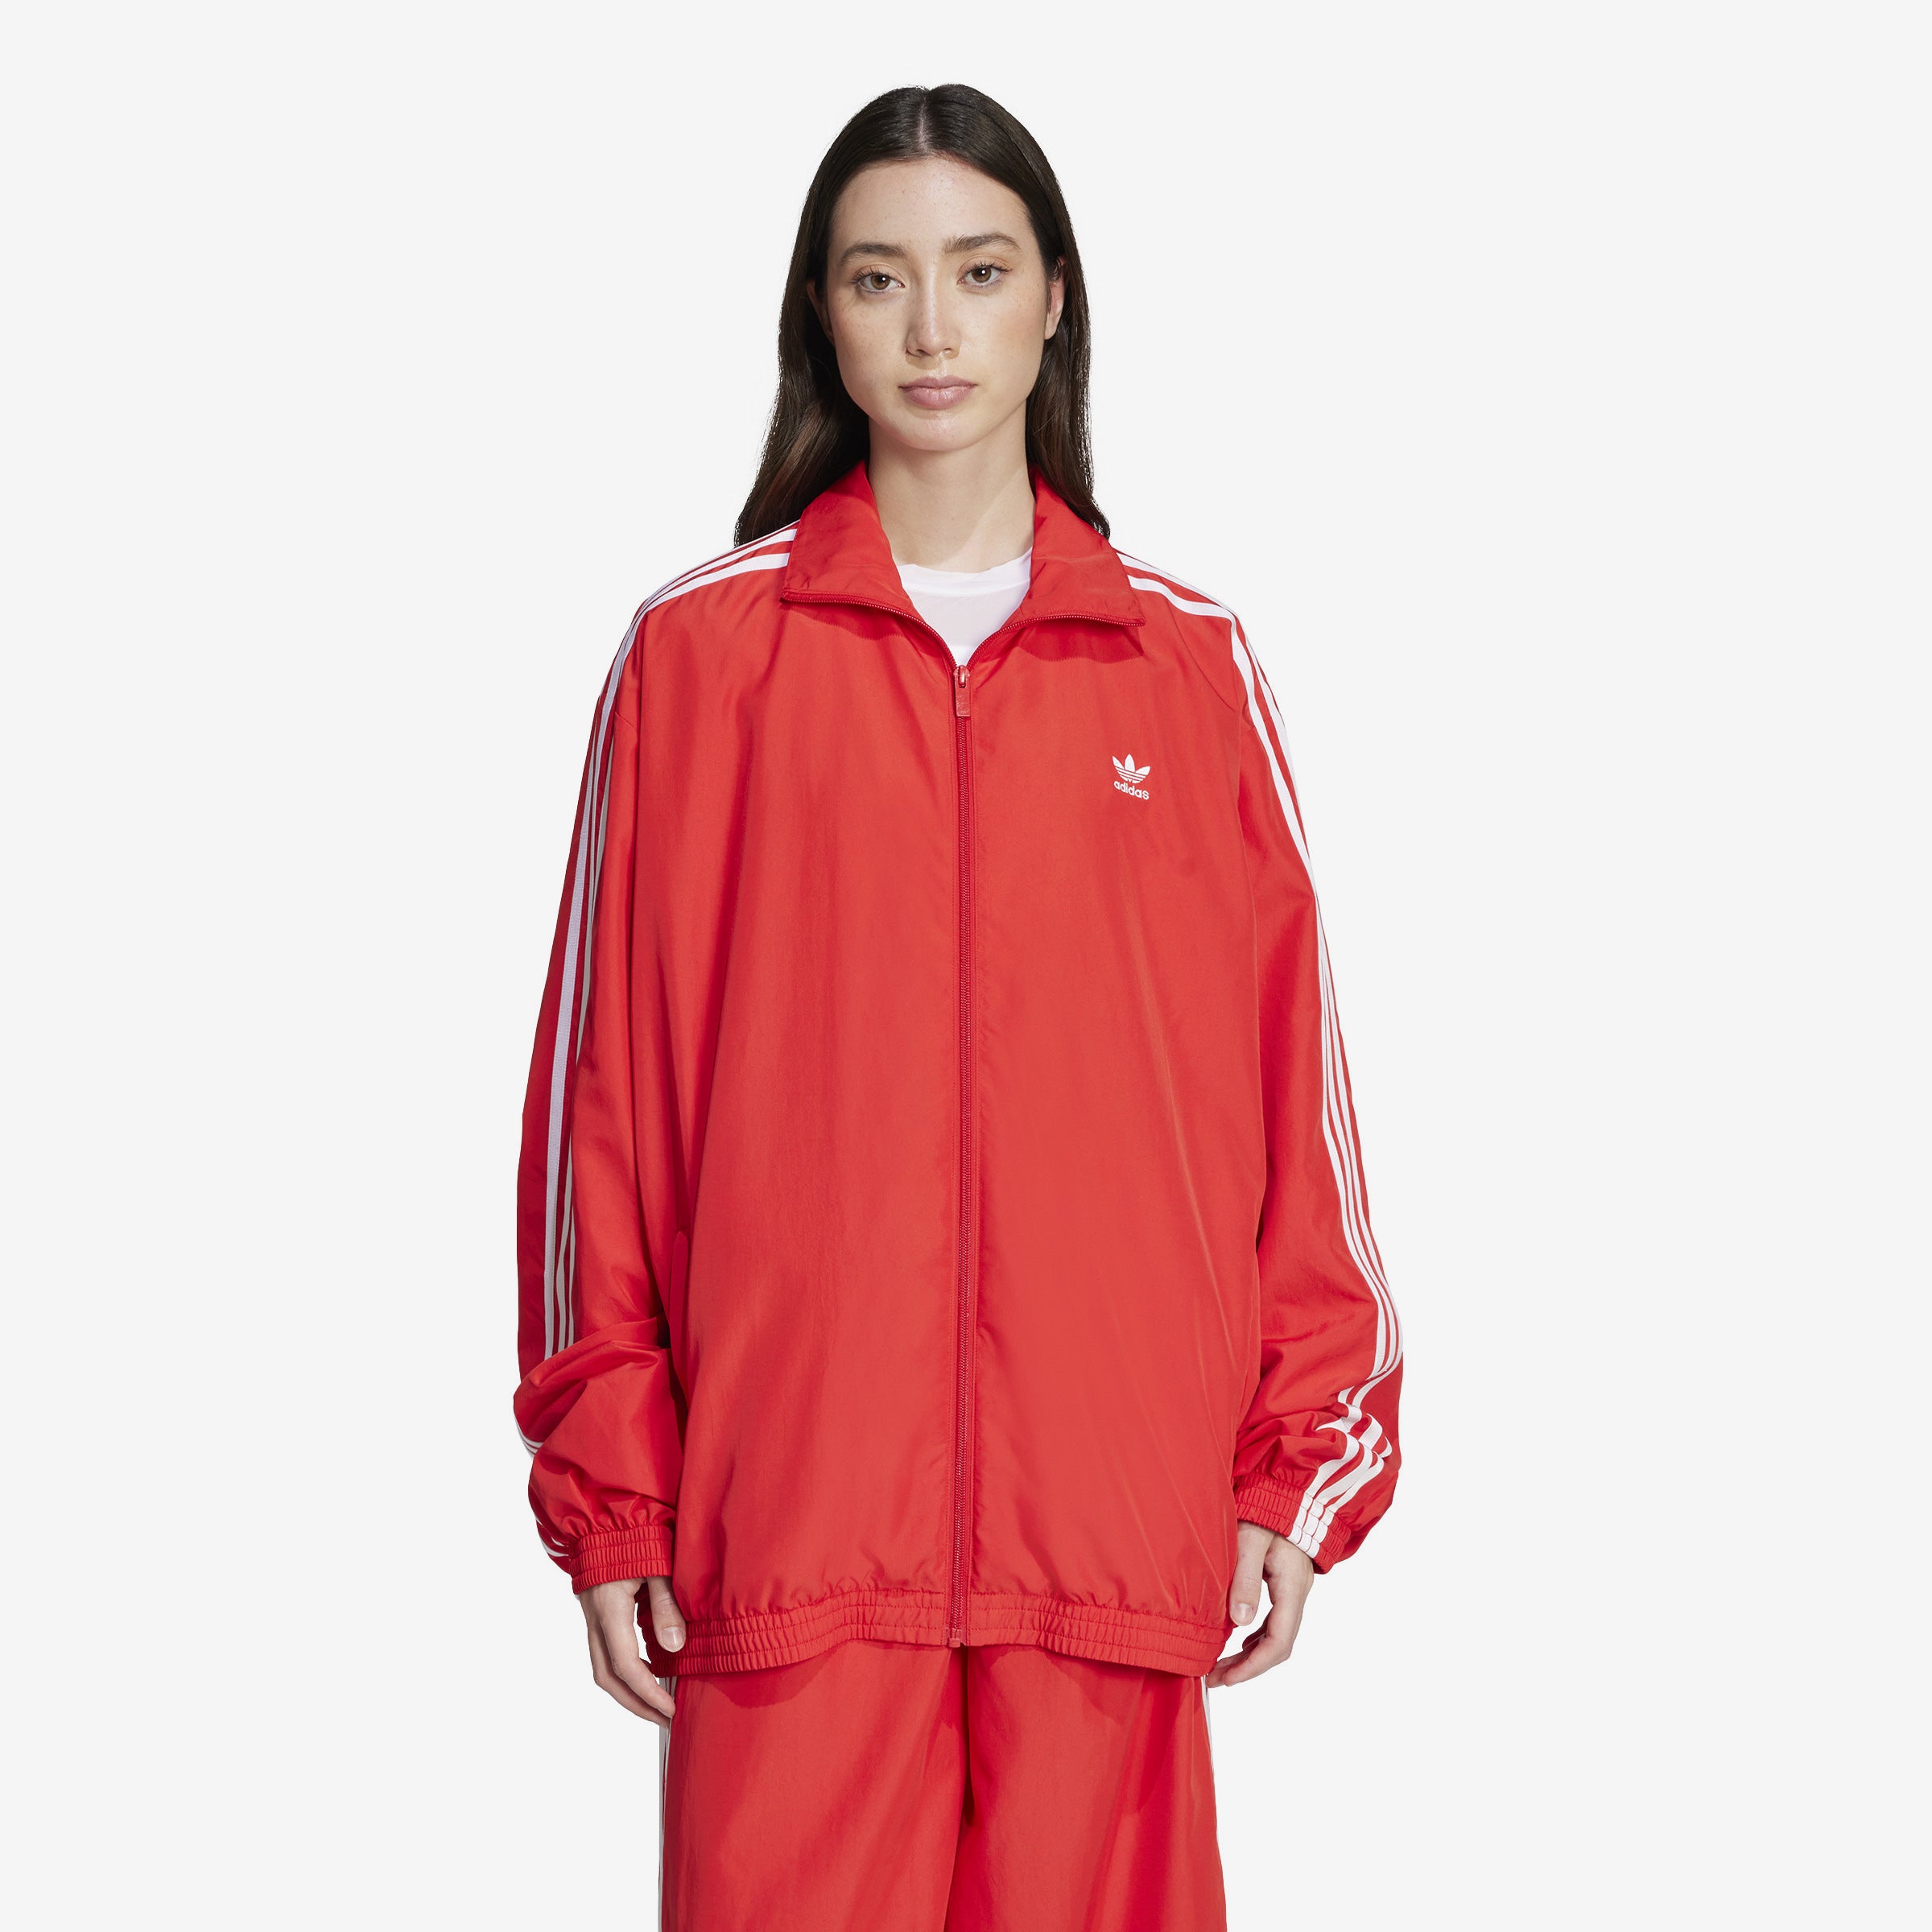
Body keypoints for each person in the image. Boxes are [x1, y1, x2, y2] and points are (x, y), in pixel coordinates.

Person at [513, 82, 1402, 1932]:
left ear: (1054, 299)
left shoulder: (1187, 665)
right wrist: (616, 1497)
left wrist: (1293, 1461)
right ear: (821, 314)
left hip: (1113, 1539)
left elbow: (1291, 1094)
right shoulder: (702, 658)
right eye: (879, 277)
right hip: (791, 1542)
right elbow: (604, 1113)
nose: (932, 328)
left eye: (980, 272)